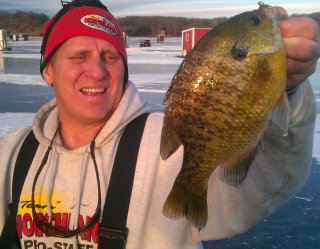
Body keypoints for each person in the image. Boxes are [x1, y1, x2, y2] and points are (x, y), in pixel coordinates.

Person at [0, 0, 319, 248]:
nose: (97, 72)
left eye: (110, 57)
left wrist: (288, 91)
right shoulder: (9, 156)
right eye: (78, 56)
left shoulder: (162, 148)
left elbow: (257, 194)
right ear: (48, 71)